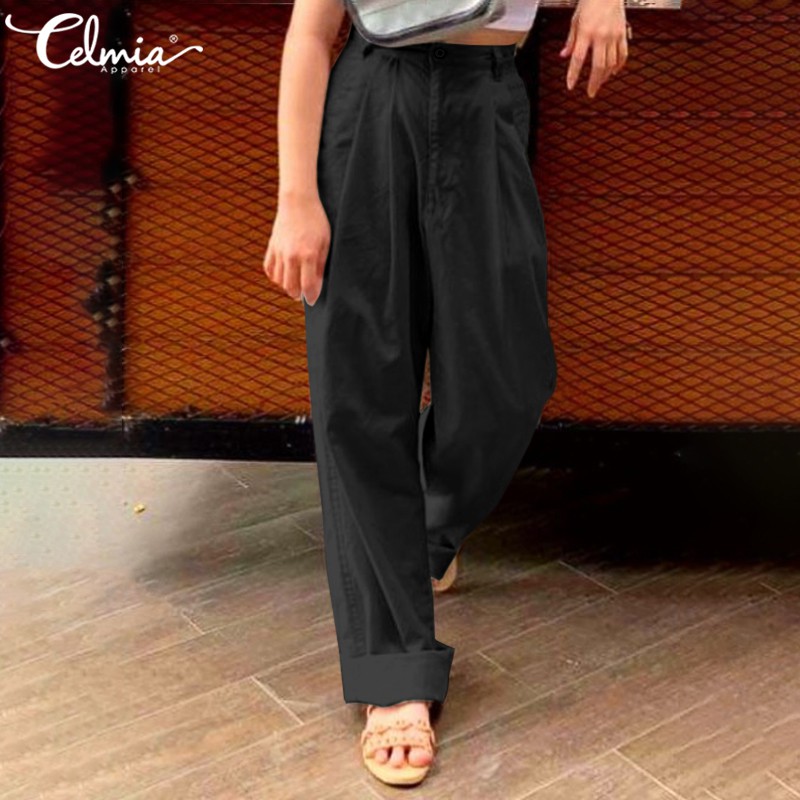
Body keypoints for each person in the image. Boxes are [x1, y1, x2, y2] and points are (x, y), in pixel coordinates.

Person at [264, 0, 629, 786]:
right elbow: (310, 33)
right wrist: (297, 199)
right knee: (360, 393)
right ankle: (394, 676)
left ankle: (423, 531)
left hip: (487, 95)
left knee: (509, 378)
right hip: (370, 102)